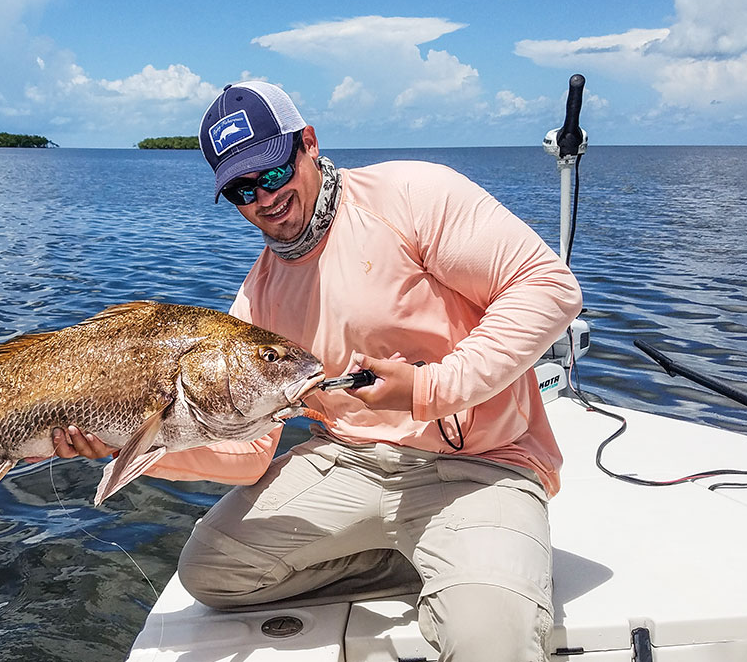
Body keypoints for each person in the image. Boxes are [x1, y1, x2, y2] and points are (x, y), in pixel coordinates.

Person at [53, 81, 582, 661]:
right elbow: (251, 451)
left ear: (308, 143)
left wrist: (432, 387)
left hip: (481, 464)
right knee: (212, 572)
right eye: (241, 189)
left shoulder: (411, 195)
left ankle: (470, 569)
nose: (263, 198)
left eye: (273, 172)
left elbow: (548, 287)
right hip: (346, 461)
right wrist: (128, 444)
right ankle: (423, 562)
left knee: (490, 642)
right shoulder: (256, 301)